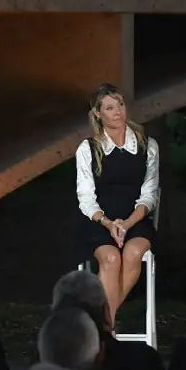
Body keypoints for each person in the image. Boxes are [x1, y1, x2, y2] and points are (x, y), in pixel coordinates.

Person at [75, 83, 159, 327]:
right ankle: (106, 327)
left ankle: (101, 325)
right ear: (97, 114)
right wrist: (109, 223)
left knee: (133, 253)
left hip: (135, 219)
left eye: (120, 105)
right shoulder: (88, 148)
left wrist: (128, 223)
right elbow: (86, 198)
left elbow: (149, 195)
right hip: (100, 220)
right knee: (111, 259)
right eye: (110, 108)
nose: (117, 112)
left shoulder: (147, 145)